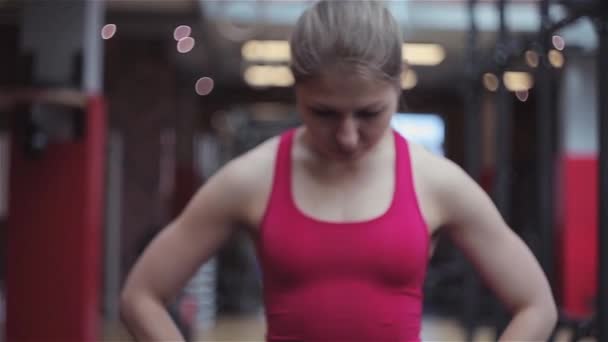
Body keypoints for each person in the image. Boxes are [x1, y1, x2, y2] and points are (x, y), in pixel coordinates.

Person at [120, 1, 557, 341]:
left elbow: (536, 304)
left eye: (369, 113)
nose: (348, 136)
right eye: (324, 113)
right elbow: (141, 296)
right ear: (297, 90)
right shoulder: (251, 179)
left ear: (398, 83)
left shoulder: (437, 182)